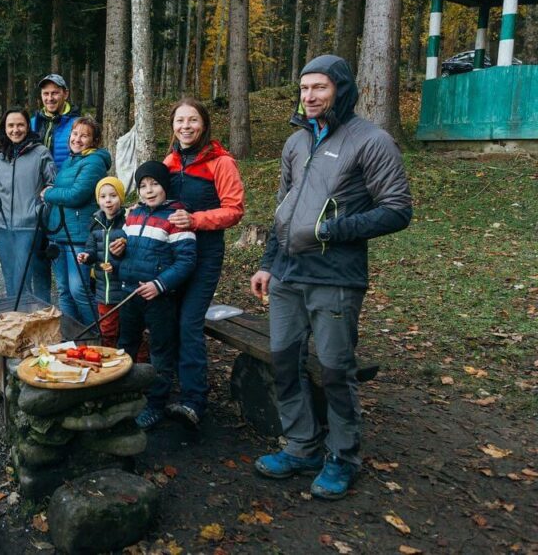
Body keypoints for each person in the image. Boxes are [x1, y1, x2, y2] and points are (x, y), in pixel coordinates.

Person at [250, 54, 412, 500]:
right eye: (304, 89)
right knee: (284, 361)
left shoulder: (371, 141)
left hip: (335, 277)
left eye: (319, 87)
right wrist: (266, 261)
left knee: (335, 369)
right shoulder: (296, 142)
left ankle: (342, 456)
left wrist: (329, 230)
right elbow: (282, 211)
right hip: (286, 274)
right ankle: (301, 445)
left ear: (340, 89)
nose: (309, 96)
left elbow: (398, 210)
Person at [162, 98, 245, 428]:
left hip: (205, 254)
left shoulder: (221, 162)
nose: (185, 126)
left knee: (189, 323)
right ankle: (165, 389)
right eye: (180, 120)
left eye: (192, 120)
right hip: (171, 254)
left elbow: (234, 210)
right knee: (168, 321)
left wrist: (194, 220)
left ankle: (194, 400)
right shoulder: (170, 161)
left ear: (204, 124)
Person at [116, 161, 196, 430]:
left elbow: (186, 261)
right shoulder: (133, 214)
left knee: (160, 351)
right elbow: (127, 253)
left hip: (159, 298)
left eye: (154, 184)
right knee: (126, 344)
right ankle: (123, 394)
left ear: (165, 186)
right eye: (143, 186)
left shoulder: (176, 216)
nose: (149, 191)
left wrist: (160, 284)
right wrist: (117, 254)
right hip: (130, 294)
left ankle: (155, 404)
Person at [41, 117, 111, 326]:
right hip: (59, 233)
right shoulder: (72, 160)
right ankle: (71, 333)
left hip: (78, 235)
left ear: (94, 140)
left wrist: (50, 193)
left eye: (84, 135)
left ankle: (95, 334)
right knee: (63, 290)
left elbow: (77, 194)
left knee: (79, 289)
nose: (77, 139)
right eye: (75, 134)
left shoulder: (94, 162)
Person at [0, 108, 56, 302]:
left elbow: (53, 182)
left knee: (23, 277)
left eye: (20, 125)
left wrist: (46, 195)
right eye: (11, 125)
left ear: (28, 126)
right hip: (2, 226)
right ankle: (15, 317)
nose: (15, 130)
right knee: (10, 276)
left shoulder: (40, 152)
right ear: (5, 127)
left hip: (29, 225)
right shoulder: (1, 154)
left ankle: (34, 316)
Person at [77, 176, 127, 348]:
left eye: (113, 195)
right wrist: (87, 257)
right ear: (98, 200)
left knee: (130, 328)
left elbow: (134, 256)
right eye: (103, 196)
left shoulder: (127, 223)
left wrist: (117, 266)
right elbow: (92, 250)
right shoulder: (96, 223)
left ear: (121, 197)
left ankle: (137, 363)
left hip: (123, 288)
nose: (108, 200)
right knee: (106, 328)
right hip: (102, 289)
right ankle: (110, 358)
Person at [30, 73, 80, 171]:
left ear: (65, 94)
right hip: (36, 183)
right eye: (46, 93)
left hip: (65, 183)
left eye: (55, 93)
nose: (50, 98)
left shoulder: (78, 124)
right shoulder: (32, 123)